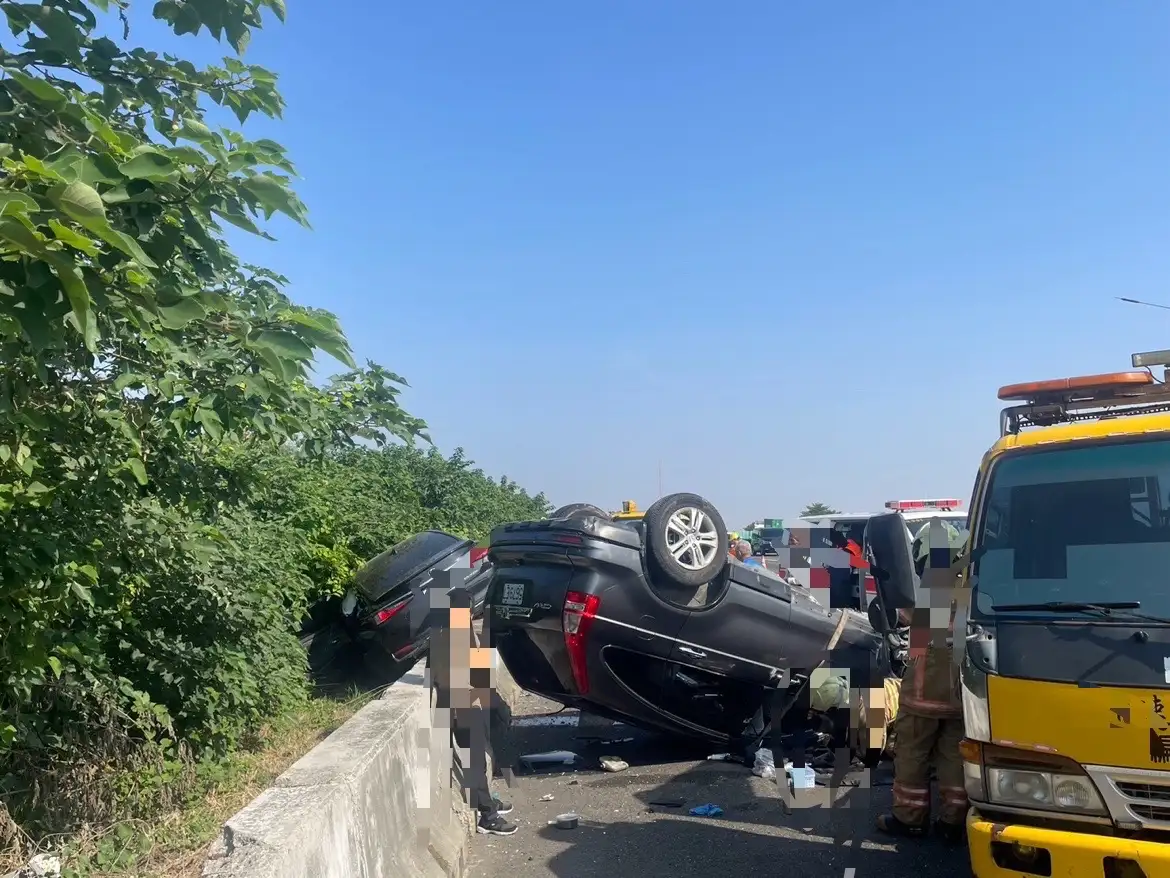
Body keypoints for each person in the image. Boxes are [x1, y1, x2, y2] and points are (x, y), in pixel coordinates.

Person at [875, 519, 968, 844]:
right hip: (960, 696)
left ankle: (910, 819)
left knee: (912, 754)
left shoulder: (924, 588)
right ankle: (953, 822)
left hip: (923, 693)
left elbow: (905, 620)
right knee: (954, 757)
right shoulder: (972, 584)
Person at [427, 583, 518, 836]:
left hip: (474, 700)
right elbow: (442, 679)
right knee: (476, 760)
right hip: (461, 706)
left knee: (499, 723)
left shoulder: (461, 630)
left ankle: (488, 800)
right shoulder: (447, 636)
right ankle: (487, 816)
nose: (467, 613)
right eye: (463, 608)